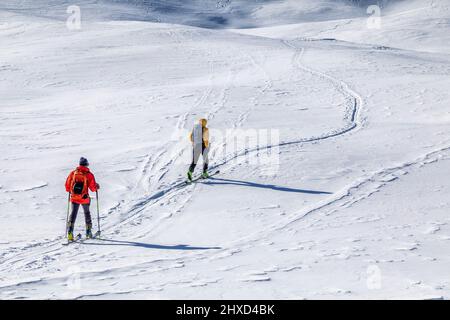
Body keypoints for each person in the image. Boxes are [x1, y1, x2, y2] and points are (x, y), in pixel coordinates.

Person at [65, 157, 100, 241]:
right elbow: (92, 188)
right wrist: (97, 187)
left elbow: (67, 186)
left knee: (73, 214)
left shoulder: (73, 173)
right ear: (87, 164)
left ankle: (70, 232)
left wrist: (72, 191)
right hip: (84, 198)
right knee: (87, 213)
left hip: (74, 198)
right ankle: (88, 232)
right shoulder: (89, 174)